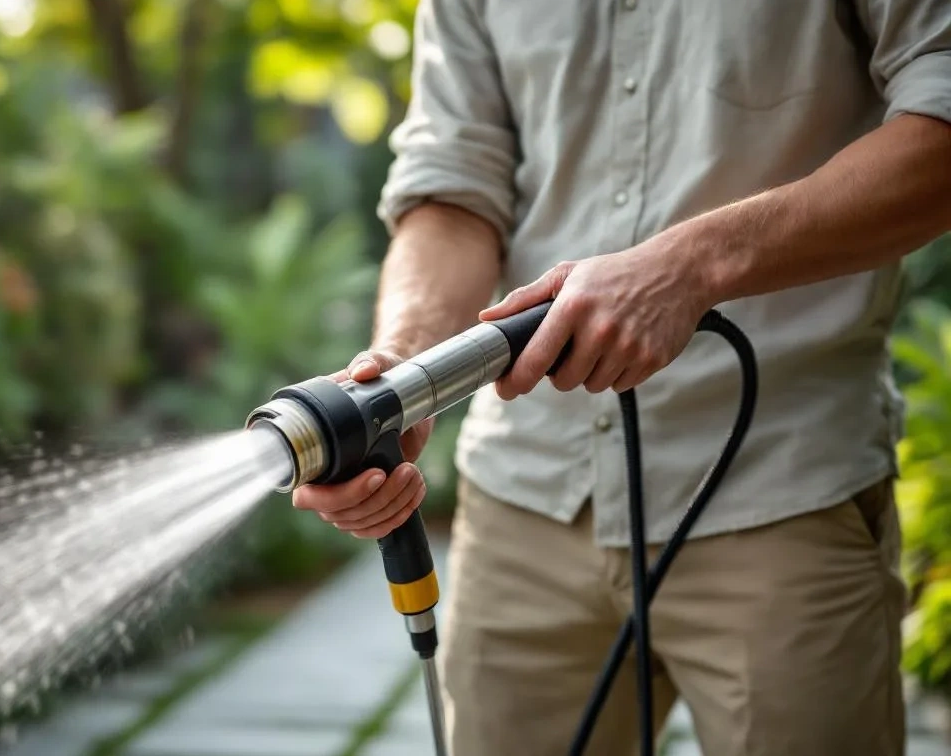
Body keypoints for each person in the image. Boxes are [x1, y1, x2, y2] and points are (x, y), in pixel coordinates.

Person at [291, 1, 951, 754]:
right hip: (527, 500)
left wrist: (691, 266)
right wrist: (404, 371)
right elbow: (454, 182)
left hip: (782, 492)